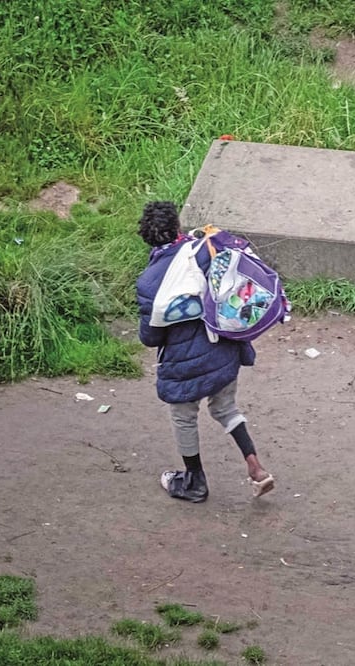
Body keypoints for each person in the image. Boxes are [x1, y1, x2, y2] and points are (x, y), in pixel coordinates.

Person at [135, 201, 275, 503]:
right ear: (177, 228)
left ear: (146, 238)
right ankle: (255, 466)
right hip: (224, 350)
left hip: (184, 365)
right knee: (226, 409)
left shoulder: (149, 283)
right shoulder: (205, 249)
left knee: (184, 417)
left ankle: (194, 482)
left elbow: (150, 337)